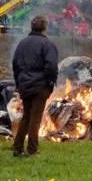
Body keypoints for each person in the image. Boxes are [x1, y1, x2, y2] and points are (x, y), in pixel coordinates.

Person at [12, 15, 58, 157]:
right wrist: (51, 82)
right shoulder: (48, 44)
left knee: (26, 116)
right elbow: (51, 66)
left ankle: (17, 147)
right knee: (35, 118)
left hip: (25, 85)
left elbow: (15, 65)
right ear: (44, 28)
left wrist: (19, 83)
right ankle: (32, 149)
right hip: (40, 86)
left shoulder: (22, 43)